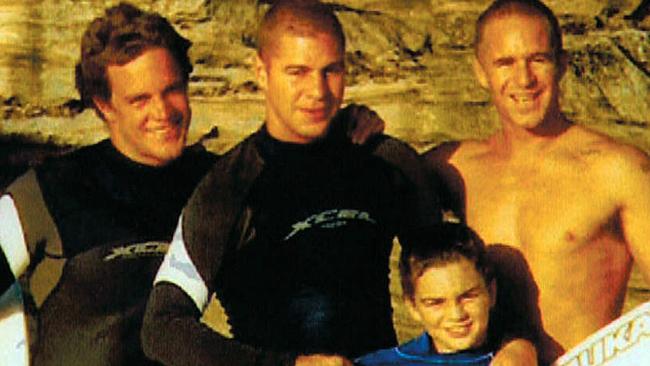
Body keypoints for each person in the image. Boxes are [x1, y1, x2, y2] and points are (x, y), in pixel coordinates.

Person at [0, 2, 381, 364]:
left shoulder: (218, 185)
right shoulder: (50, 191)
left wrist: (335, 127)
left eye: (172, 90)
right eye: (140, 100)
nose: (163, 112)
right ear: (104, 105)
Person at [141, 1, 439, 366]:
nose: (317, 90)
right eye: (297, 72)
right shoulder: (228, 188)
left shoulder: (389, 162)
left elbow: (454, 282)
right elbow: (163, 329)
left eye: (331, 71)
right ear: (262, 72)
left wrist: (511, 340)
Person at [422, 0, 650, 363]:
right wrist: (359, 127)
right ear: (481, 72)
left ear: (562, 64)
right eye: (505, 63)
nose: (524, 79)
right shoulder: (453, 168)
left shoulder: (616, 169)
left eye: (538, 59)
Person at [355, 223, 500, 366]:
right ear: (413, 307)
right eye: (436, 303)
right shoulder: (383, 363)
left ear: (491, 292)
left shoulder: (510, 360)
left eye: (468, 296)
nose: (456, 314)